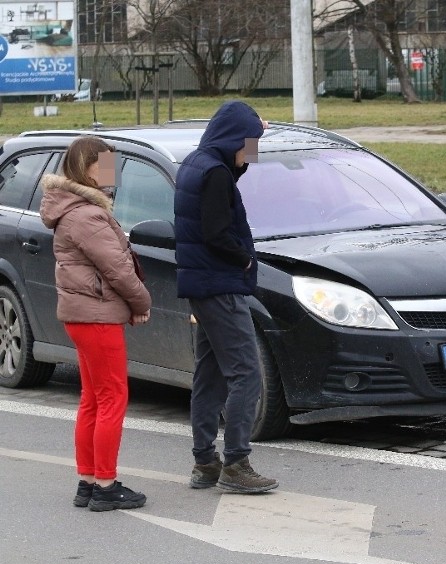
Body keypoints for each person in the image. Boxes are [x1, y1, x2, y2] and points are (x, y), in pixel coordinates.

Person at [39, 135, 152, 511]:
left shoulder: (73, 208)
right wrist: (141, 300)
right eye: (103, 163)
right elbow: (117, 268)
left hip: (82, 314)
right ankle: (105, 485)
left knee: (92, 399)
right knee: (111, 398)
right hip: (96, 314)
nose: (110, 171)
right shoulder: (87, 213)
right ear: (84, 167)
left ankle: (87, 482)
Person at [174, 100, 278, 493]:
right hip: (220, 283)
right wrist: (245, 259)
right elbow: (217, 232)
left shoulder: (197, 163)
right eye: (249, 143)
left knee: (210, 374)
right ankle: (237, 462)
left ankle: (205, 463)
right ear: (234, 137)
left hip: (202, 283)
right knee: (247, 374)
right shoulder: (215, 173)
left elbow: (232, 172)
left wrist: (253, 133)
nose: (252, 152)